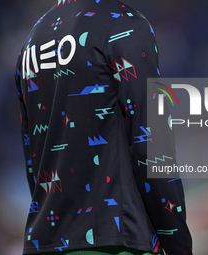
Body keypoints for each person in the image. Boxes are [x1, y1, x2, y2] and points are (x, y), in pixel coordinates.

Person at [15, 0, 192, 254]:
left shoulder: (32, 41)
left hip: (44, 241)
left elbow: (32, 158)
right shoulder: (126, 24)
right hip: (118, 242)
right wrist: (180, 247)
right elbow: (153, 147)